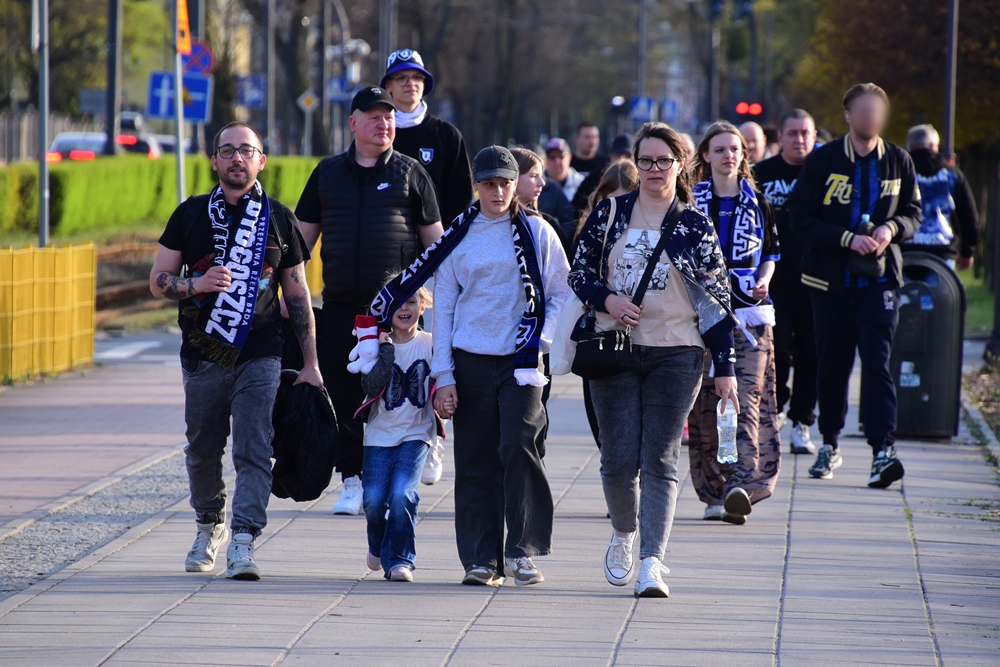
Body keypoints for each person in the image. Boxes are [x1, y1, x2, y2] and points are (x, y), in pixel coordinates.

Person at [569, 122, 738, 597]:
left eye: (664, 160)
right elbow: (579, 273)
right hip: (615, 349)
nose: (655, 169)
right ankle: (624, 534)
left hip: (677, 352)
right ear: (636, 163)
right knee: (618, 461)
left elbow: (718, 298)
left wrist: (725, 368)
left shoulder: (694, 225)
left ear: (680, 164)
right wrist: (608, 300)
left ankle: (652, 562)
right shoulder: (610, 213)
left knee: (660, 458)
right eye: (646, 160)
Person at [150, 122, 320, 580]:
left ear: (261, 160)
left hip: (260, 352)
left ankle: (244, 539)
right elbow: (158, 280)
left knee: (254, 445)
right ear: (214, 161)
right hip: (203, 351)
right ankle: (210, 523)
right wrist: (196, 284)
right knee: (202, 448)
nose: (237, 158)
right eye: (227, 151)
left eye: (246, 150)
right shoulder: (190, 214)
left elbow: (298, 294)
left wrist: (310, 363)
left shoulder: (279, 218)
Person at [295, 86, 444, 515]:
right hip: (341, 306)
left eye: (389, 117)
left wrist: (439, 305)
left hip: (396, 310)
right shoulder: (327, 173)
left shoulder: (411, 173)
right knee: (344, 393)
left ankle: (404, 467)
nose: (384, 124)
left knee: (398, 393)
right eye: (375, 117)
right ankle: (352, 480)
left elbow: (437, 248)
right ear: (353, 123)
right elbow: (299, 246)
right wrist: (287, 293)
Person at [431, 146, 571, 587]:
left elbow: (562, 292)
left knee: (519, 445)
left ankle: (523, 551)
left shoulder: (538, 232)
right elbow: (443, 309)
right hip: (470, 359)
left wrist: (540, 340)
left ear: (515, 185)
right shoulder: (458, 236)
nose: (497, 192)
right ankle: (480, 559)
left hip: (522, 362)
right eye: (488, 184)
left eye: (505, 184)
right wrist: (443, 375)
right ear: (476, 184)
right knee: (475, 458)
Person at [788, 83, 921, 487]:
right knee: (833, 364)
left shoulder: (898, 160)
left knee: (877, 363)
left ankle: (883, 451)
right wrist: (846, 238)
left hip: (879, 281)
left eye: (876, 111)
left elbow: (913, 213)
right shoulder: (823, 160)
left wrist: (890, 229)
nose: (870, 118)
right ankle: (829, 442)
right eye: (863, 110)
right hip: (831, 283)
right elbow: (799, 217)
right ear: (847, 115)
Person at [687, 121, 782, 525]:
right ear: (705, 155)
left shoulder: (758, 201)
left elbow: (772, 252)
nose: (728, 155)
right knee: (705, 404)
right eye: (720, 149)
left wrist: (764, 279)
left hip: (750, 316)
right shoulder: (689, 200)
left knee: (745, 398)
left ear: (744, 155)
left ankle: (741, 483)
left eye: (735, 149)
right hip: (699, 316)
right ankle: (715, 489)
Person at [358, 284, 436, 582]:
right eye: (398, 303)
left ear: (422, 307)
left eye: (412, 301)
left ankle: (401, 559)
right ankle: (378, 545)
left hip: (417, 434)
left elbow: (443, 377)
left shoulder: (431, 343)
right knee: (373, 500)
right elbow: (370, 385)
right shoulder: (373, 345)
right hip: (379, 435)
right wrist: (387, 350)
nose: (405, 308)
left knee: (403, 494)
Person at [754, 109, 819, 454]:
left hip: (817, 281)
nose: (799, 140)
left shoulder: (825, 172)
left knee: (812, 354)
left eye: (805, 133)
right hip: (774, 281)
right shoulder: (762, 174)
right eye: (792, 133)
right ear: (780, 137)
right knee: (776, 351)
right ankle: (776, 410)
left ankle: (802, 423)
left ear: (814, 136)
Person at [573, 158, 640, 451]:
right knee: (607, 440)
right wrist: (606, 299)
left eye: (626, 200)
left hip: (645, 341)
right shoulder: (589, 232)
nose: (617, 210)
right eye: (610, 201)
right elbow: (577, 279)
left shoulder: (650, 230)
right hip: (600, 342)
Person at [381, 49, 474, 228]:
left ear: (424, 84)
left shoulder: (447, 135)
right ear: (388, 85)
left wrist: (447, 239)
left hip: (438, 240)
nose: (410, 83)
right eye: (401, 77)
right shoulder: (379, 133)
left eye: (417, 77)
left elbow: (462, 197)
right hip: (388, 238)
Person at [903, 124, 979, 270]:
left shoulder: (899, 173)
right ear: (933, 145)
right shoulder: (953, 175)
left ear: (909, 147)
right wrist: (967, 250)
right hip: (942, 252)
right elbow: (969, 216)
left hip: (906, 251)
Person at [511, 146, 570, 252]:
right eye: (534, 176)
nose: (542, 183)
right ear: (513, 179)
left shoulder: (547, 223)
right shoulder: (490, 220)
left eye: (541, 176)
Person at [572, 133, 634, 214]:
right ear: (611, 156)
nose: (622, 161)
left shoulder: (642, 180)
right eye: (619, 156)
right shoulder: (595, 178)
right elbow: (576, 208)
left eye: (627, 157)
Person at [544, 137, 586, 205]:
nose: (557, 161)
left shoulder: (581, 183)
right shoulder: (537, 185)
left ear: (569, 159)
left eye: (561, 156)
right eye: (552, 157)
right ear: (546, 160)